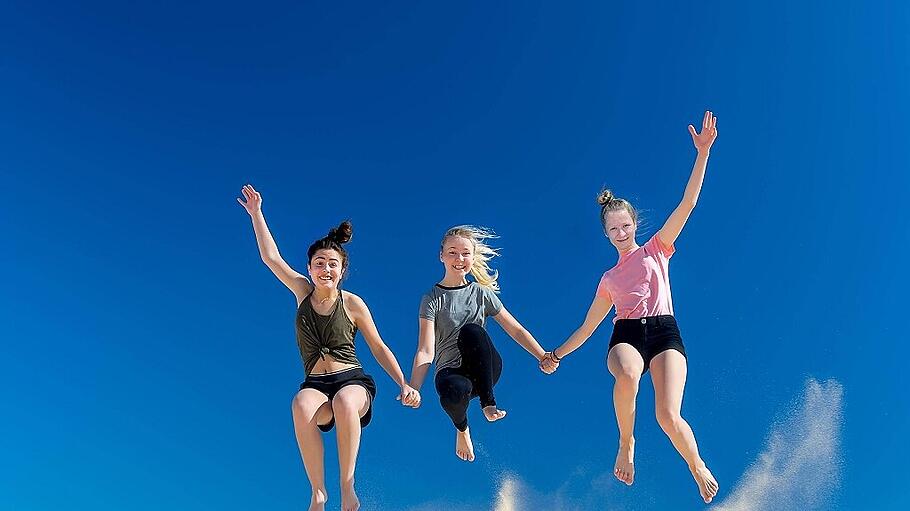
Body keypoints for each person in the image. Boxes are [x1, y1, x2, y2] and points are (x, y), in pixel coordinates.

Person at [541, 111, 721, 503]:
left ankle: (696, 465)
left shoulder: (657, 250)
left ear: (634, 225)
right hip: (626, 333)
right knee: (627, 372)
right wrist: (556, 353)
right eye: (613, 230)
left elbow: (688, 203)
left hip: (664, 331)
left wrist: (702, 153)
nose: (620, 234)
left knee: (668, 416)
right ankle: (626, 442)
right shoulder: (608, 280)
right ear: (605, 235)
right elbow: (588, 328)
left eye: (625, 226)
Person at [237, 184, 419, 511]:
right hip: (317, 386)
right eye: (319, 263)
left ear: (342, 271)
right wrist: (256, 214)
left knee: (346, 401)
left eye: (332, 264)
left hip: (353, 381)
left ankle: (347, 488)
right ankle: (318, 492)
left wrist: (403, 383)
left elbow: (378, 347)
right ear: (309, 269)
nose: (326, 269)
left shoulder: (353, 304)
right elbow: (271, 258)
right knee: (301, 405)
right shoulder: (301, 292)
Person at [406, 225, 554, 462]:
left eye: (465, 253)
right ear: (441, 255)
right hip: (452, 373)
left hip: (483, 369)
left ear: (473, 258)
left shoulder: (481, 293)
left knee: (472, 331)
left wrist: (541, 355)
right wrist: (413, 387)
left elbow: (515, 329)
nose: (459, 259)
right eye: (452, 252)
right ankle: (462, 429)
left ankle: (488, 403)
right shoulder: (432, 298)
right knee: (452, 394)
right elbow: (425, 349)